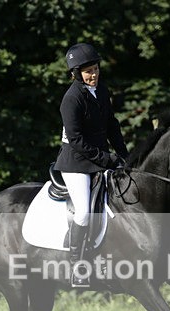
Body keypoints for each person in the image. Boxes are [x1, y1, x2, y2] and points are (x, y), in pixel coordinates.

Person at [54, 43, 129, 287]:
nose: (93, 75)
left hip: (98, 158)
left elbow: (111, 125)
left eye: (95, 69)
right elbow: (76, 141)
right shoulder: (72, 99)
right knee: (84, 211)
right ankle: (77, 264)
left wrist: (124, 155)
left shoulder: (102, 90)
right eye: (88, 72)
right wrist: (107, 159)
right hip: (75, 162)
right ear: (76, 74)